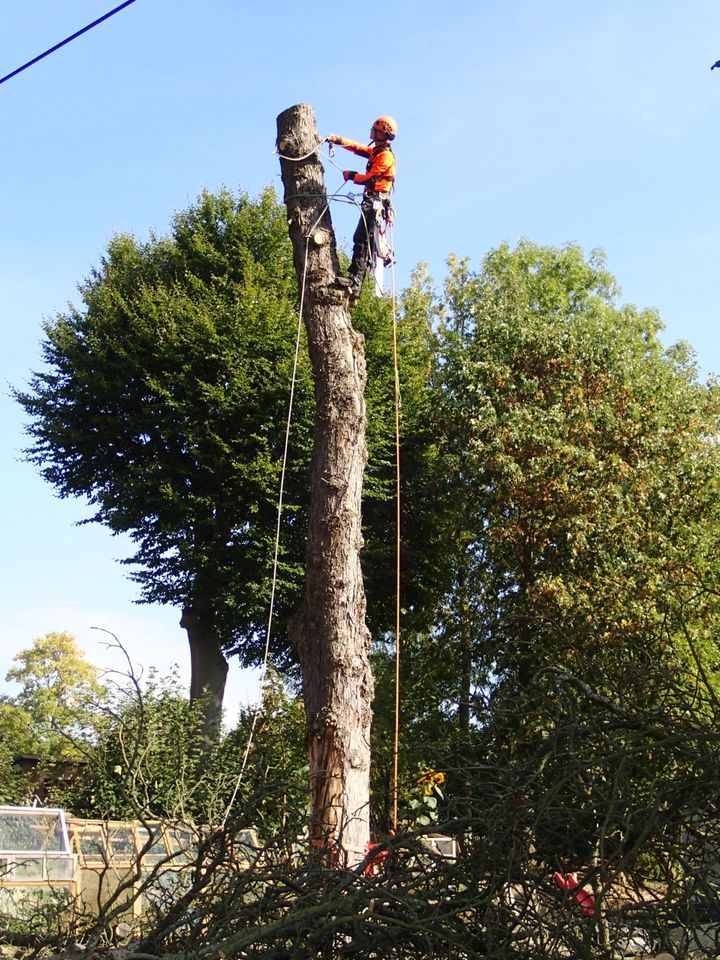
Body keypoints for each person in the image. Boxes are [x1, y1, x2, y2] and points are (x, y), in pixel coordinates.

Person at [327, 115, 397, 298]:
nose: (371, 132)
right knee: (361, 239)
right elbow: (358, 148)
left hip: (376, 203)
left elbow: (370, 178)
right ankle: (355, 282)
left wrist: (352, 176)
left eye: (374, 130)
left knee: (362, 240)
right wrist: (338, 140)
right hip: (371, 202)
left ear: (382, 133)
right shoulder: (377, 152)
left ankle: (355, 281)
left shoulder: (385, 156)